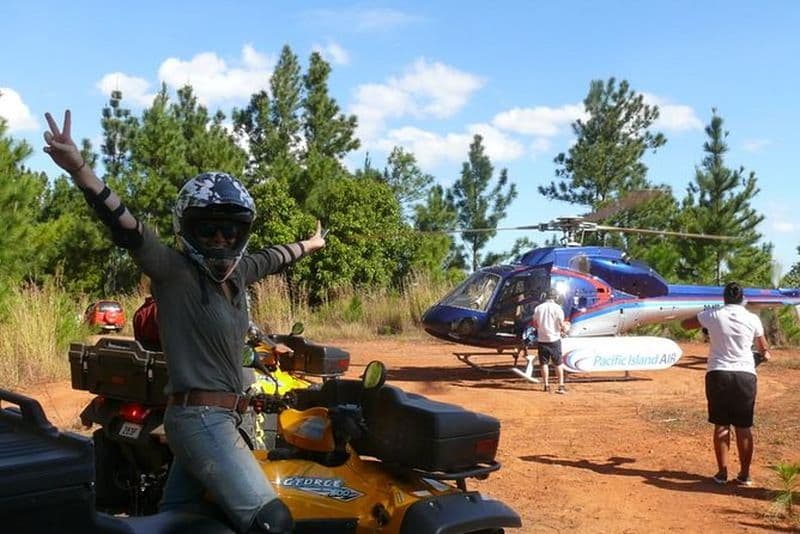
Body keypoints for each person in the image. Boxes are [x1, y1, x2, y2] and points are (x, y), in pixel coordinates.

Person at [43, 110, 325, 533]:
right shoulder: (175, 273)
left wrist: (311, 243)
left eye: (230, 231)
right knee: (272, 521)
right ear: (188, 229)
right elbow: (127, 227)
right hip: (201, 420)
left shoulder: (240, 275)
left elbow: (275, 257)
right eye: (208, 229)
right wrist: (80, 169)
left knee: (179, 520)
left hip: (218, 420)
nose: (221, 239)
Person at [696, 281, 771, 487]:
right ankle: (744, 475)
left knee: (721, 425)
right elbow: (763, 347)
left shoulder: (713, 315)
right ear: (742, 298)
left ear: (724, 298)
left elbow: (686, 324)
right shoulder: (752, 318)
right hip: (745, 374)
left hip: (718, 373)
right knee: (743, 427)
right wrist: (763, 354)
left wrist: (706, 323)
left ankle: (722, 473)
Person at [532, 287, 570, 393]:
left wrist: (542, 328)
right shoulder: (558, 308)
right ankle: (561, 385)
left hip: (542, 339)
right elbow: (561, 324)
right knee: (558, 363)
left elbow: (535, 324)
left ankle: (546, 385)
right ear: (555, 297)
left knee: (544, 363)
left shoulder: (538, 308)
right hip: (554, 339)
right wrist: (566, 327)